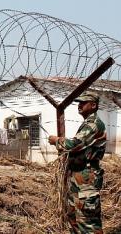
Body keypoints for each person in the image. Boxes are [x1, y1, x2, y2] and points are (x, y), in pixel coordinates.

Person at [48, 91, 106, 233]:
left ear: (93, 105)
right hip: (79, 176)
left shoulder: (93, 124)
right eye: (78, 103)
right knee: (75, 219)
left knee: (88, 222)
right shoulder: (87, 123)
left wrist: (57, 141)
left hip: (87, 178)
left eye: (83, 103)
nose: (79, 105)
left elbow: (74, 144)